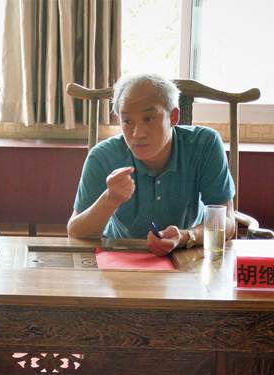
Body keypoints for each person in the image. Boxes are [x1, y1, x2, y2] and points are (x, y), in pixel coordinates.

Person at [67, 73, 235, 256]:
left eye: (148, 119)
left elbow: (227, 221)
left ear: (173, 117)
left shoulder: (204, 145)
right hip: (121, 256)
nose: (137, 134)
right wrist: (110, 199)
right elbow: (75, 233)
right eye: (127, 121)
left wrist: (186, 236)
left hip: (187, 254)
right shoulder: (103, 157)